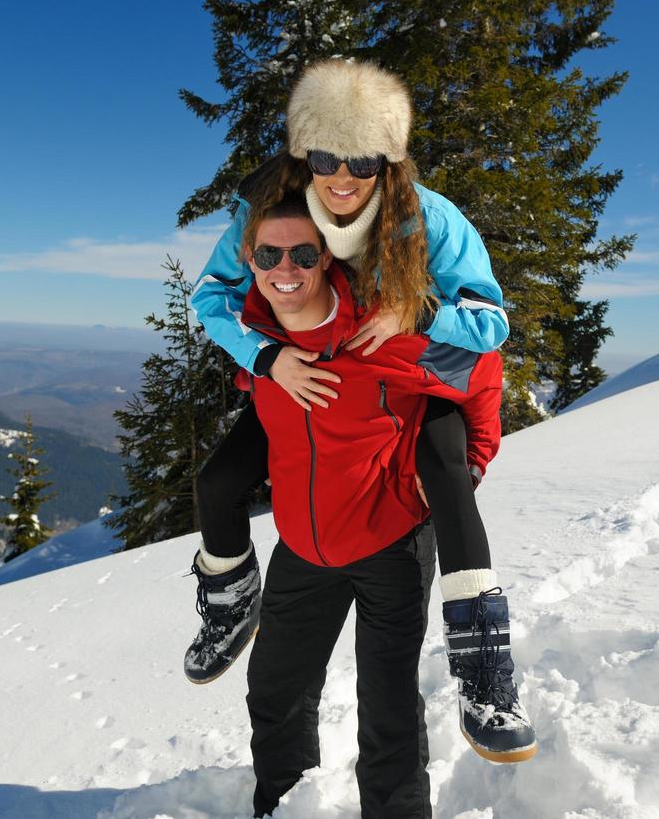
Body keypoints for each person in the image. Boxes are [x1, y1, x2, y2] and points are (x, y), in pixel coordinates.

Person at [184, 59, 535, 764]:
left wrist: (418, 311)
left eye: (363, 161)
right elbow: (211, 297)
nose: (342, 177)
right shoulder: (268, 211)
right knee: (220, 481)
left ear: (389, 161)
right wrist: (265, 359)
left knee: (446, 473)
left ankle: (484, 667)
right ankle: (228, 595)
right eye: (324, 157)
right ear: (302, 155)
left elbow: (490, 321)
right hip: (303, 369)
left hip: (411, 374)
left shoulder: (429, 219)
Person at [228, 194, 510, 815]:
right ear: (249, 259)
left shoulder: (379, 329)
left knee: (387, 708)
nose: (286, 268)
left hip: (392, 541)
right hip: (303, 546)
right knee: (275, 689)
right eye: (269, 254)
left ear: (328, 255)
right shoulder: (259, 342)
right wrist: (266, 363)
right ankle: (281, 805)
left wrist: (473, 461)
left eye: (303, 253)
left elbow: (481, 369)